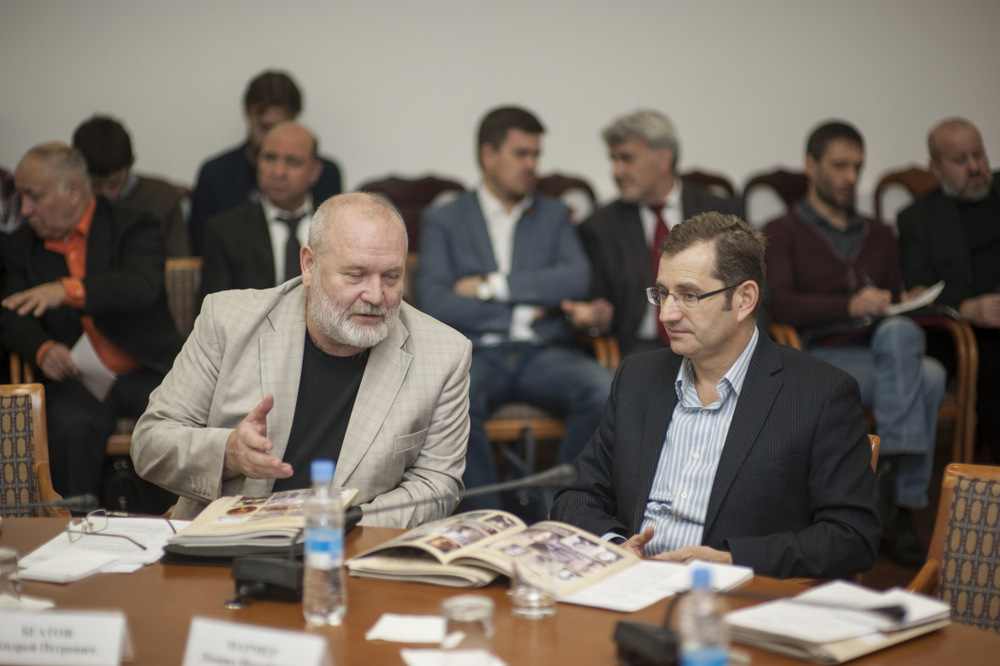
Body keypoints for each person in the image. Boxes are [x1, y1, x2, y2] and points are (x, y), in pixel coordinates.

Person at [550, 212, 880, 579]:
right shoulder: (637, 378)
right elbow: (576, 495)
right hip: (632, 584)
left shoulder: (819, 393)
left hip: (738, 596)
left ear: (744, 299)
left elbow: (852, 537)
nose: (666, 314)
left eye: (689, 296)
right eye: (662, 294)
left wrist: (732, 560)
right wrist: (615, 546)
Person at [132, 193, 472, 527]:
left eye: (391, 277)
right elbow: (150, 443)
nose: (375, 295)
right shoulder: (227, 322)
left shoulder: (444, 355)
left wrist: (343, 522)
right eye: (355, 275)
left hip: (350, 547)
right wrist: (228, 454)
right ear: (309, 265)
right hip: (225, 543)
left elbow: (437, 485)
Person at [763, 121, 945, 567]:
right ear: (811, 165)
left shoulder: (880, 233)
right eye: (839, 166)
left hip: (877, 350)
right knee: (928, 377)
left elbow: (889, 299)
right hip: (815, 352)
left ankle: (888, 486)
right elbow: (778, 303)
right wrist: (848, 304)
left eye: (857, 167)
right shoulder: (781, 231)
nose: (850, 177)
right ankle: (902, 506)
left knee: (905, 338)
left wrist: (905, 299)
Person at [416, 106, 613, 513]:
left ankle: (559, 506)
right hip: (474, 354)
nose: (532, 166)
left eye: (536, 155)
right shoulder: (444, 219)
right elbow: (435, 301)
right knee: (451, 398)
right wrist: (522, 313)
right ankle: (486, 517)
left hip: (544, 353)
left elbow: (576, 279)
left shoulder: (554, 215)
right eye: (521, 154)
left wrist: (491, 286)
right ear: (488, 155)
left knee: (604, 389)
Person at [1, 142, 183, 500]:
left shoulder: (134, 223)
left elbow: (141, 286)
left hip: (146, 369)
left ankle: (178, 520)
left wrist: (66, 290)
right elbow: (8, 311)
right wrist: (41, 348)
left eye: (35, 196)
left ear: (72, 190)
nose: (25, 209)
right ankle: (76, 522)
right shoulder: (19, 245)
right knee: (70, 426)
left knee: (174, 420)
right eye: (21, 197)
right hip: (76, 378)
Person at [562, 110, 741, 356]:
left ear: (663, 159)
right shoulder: (600, 227)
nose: (617, 171)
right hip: (641, 351)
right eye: (614, 160)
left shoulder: (720, 213)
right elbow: (600, 303)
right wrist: (598, 317)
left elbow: (750, 287)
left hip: (713, 344)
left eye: (627, 158)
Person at [898, 118, 1000, 463]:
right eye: (960, 160)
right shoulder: (917, 219)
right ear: (936, 168)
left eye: (978, 155)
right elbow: (920, 295)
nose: (974, 167)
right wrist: (966, 308)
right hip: (971, 333)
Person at [188, 70, 342, 255]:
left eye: (281, 126)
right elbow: (200, 251)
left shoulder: (325, 173)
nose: (273, 137)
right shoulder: (216, 174)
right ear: (248, 116)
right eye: (264, 127)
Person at [200, 121, 322, 299]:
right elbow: (214, 307)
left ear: (315, 172)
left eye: (292, 162)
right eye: (270, 158)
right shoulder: (226, 230)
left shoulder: (336, 225)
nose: (278, 172)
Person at [72, 115, 189, 257]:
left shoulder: (162, 196)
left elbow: (177, 261)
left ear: (132, 163)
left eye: (114, 184)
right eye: (96, 185)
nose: (105, 193)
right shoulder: (70, 200)